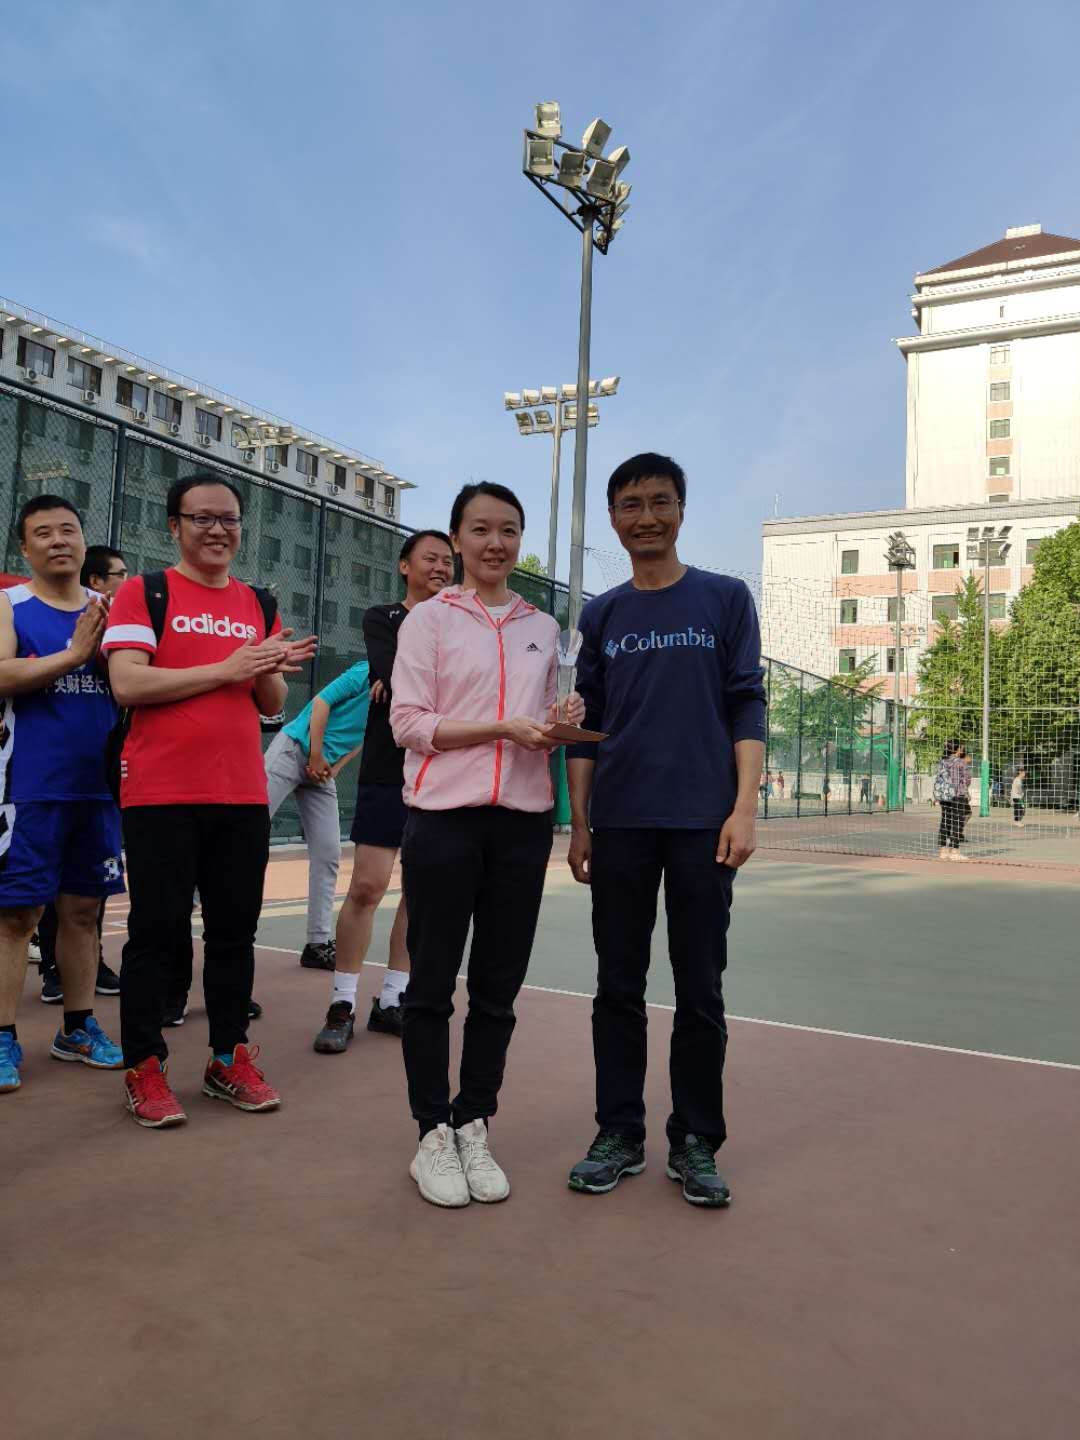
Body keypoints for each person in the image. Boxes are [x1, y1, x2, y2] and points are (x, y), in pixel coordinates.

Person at [564, 453, 766, 1209]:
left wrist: (743, 807)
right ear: (613, 518)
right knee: (617, 986)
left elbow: (747, 703)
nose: (645, 517)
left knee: (699, 988)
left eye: (659, 501)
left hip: (702, 826)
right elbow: (586, 726)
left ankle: (695, 1141)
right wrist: (580, 823)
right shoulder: (602, 615)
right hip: (620, 825)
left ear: (681, 509)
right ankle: (618, 1133)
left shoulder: (725, 598)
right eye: (630, 504)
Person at [102, 473, 316, 1127]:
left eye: (229, 519)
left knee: (233, 934)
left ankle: (228, 1058)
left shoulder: (257, 600)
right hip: (161, 792)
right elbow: (127, 683)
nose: (218, 529)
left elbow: (271, 704)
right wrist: (228, 667)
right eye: (203, 518)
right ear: (175, 526)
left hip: (241, 793)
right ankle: (144, 1067)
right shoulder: (145, 591)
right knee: (155, 934)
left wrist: (268, 666)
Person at [390, 483, 583, 1208]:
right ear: (457, 540)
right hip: (443, 822)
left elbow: (544, 725)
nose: (495, 543)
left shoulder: (543, 626)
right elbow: (409, 723)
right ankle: (430, 1133)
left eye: (508, 530)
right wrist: (502, 728)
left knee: (498, 989)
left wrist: (560, 718)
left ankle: (474, 1120)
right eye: (480, 530)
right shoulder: (429, 621)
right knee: (431, 985)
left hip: (522, 826)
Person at [0, 496, 126, 1094]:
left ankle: (77, 1027)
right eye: (44, 533)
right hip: (28, 787)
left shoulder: (112, 611)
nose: (58, 540)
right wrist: (74, 655)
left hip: (97, 789)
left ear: (82, 540)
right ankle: (3, 1035)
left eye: (68, 530)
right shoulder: (10, 605)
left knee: (82, 913)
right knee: (15, 916)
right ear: (25, 548)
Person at [313, 530, 453, 1056]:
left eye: (447, 561)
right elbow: (392, 669)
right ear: (404, 566)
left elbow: (444, 683)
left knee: (419, 892)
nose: (440, 568)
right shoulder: (384, 617)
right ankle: (342, 1003)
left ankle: (393, 999)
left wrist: (405, 684)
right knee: (367, 887)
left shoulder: (460, 623)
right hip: (386, 770)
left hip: (440, 771)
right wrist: (400, 680)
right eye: (429, 558)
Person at [36, 543, 130, 1005]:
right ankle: (51, 966)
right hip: (42, 780)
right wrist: (74, 655)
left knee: (90, 890)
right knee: (39, 890)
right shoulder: (25, 612)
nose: (127, 581)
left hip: (101, 778)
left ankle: (86, 976)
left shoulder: (122, 624)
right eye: (119, 574)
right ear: (96, 581)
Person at [263, 661, 372, 972]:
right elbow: (321, 703)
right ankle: (189, 902)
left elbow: (363, 737)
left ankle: (317, 944)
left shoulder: (400, 692)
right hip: (293, 750)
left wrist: (334, 768)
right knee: (245, 835)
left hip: (322, 770)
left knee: (328, 853)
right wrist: (315, 754)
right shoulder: (364, 671)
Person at [934, 738, 972, 861]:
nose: (962, 750)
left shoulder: (942, 761)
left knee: (945, 821)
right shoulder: (961, 762)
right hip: (957, 795)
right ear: (957, 749)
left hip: (945, 796)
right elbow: (967, 780)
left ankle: (943, 851)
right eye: (961, 748)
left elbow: (939, 777)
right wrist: (964, 790)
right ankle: (954, 851)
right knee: (957, 823)